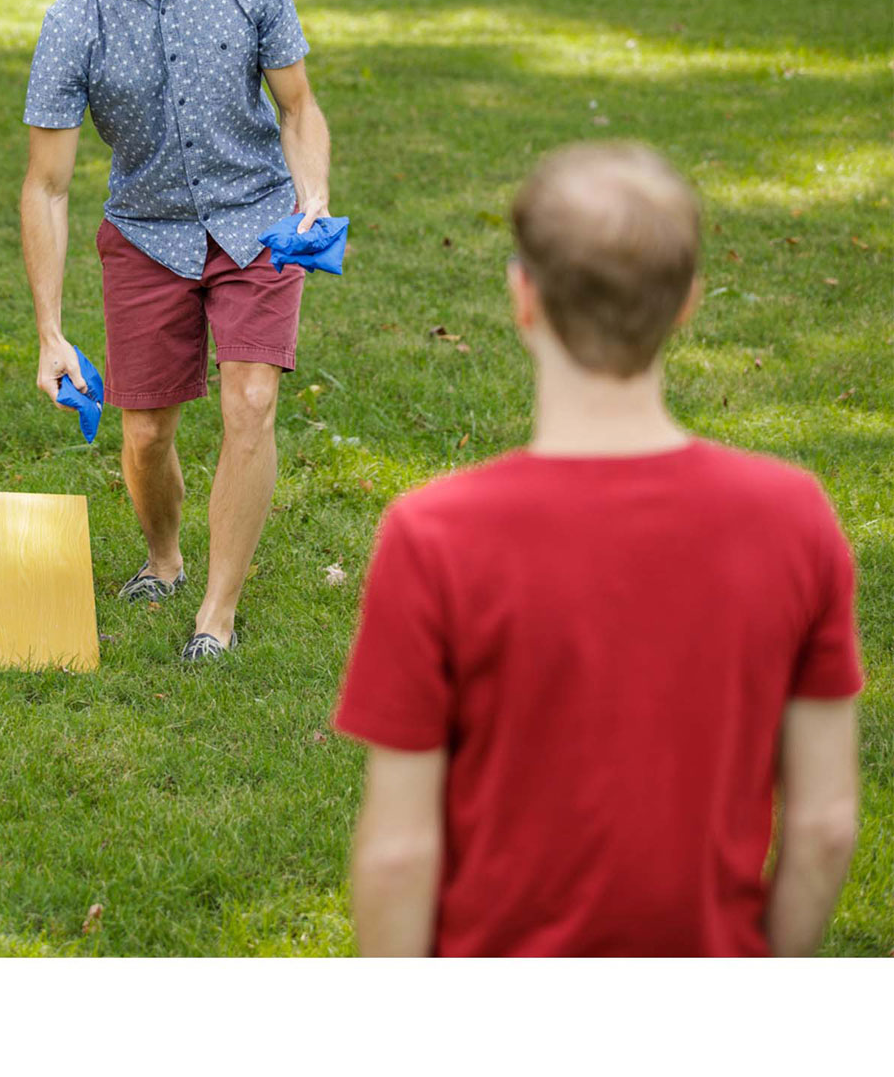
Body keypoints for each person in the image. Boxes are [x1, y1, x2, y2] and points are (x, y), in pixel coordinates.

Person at [335, 142, 862, 955]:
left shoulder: (434, 535)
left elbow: (398, 853)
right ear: (688, 303)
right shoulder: (795, 518)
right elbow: (825, 826)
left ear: (523, 296)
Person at [20, 0, 332, 662]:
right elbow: (46, 187)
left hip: (256, 219)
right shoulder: (72, 21)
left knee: (252, 402)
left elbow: (298, 107)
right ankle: (165, 558)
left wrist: (312, 195)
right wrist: (50, 331)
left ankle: (216, 616)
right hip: (147, 234)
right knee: (146, 434)